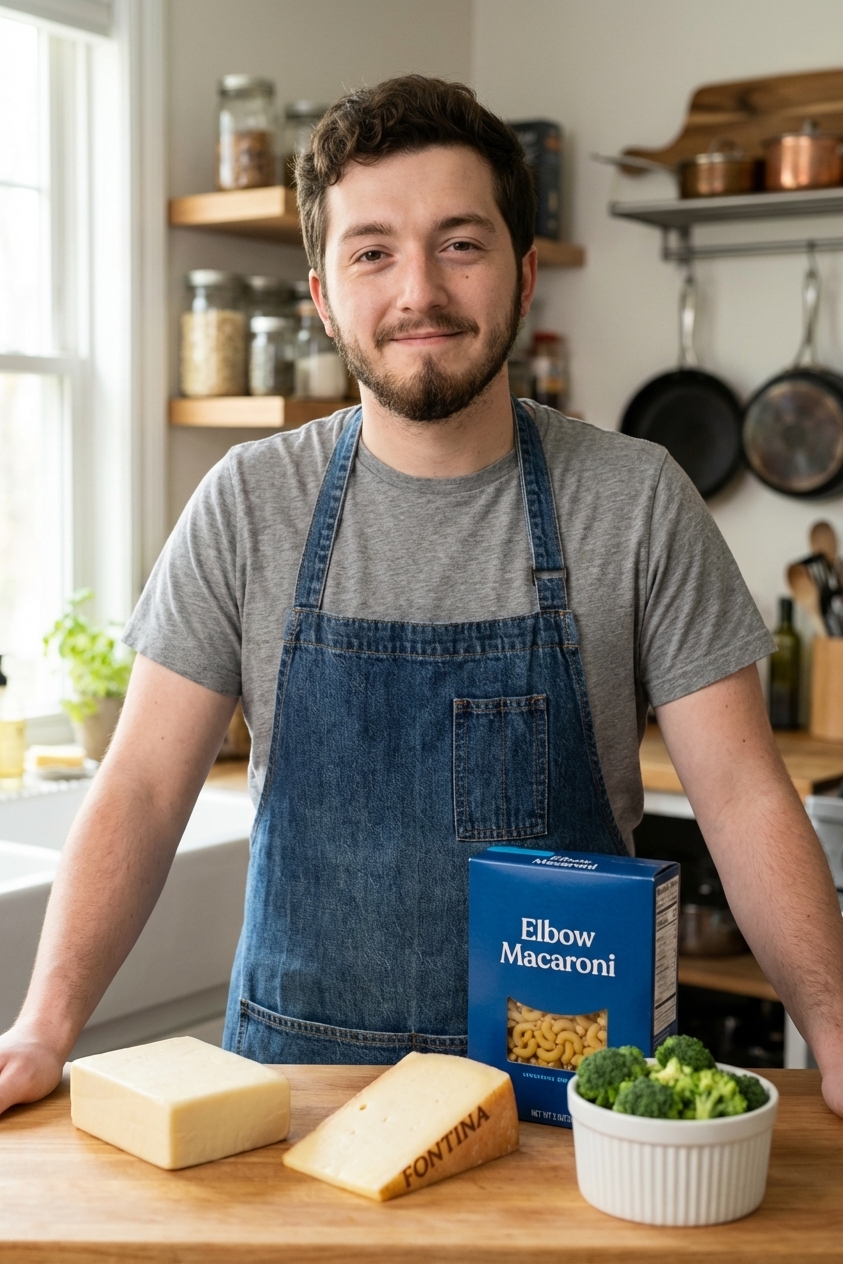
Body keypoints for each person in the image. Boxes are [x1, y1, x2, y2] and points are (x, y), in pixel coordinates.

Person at [1, 75, 842, 1116]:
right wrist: (45, 1022)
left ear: (524, 272)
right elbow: (138, 790)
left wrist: (838, 1028)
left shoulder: (637, 500)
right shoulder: (248, 504)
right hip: (293, 1102)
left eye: (460, 242)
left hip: (568, 1104)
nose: (419, 293)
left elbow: (746, 796)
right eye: (372, 252)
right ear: (321, 294)